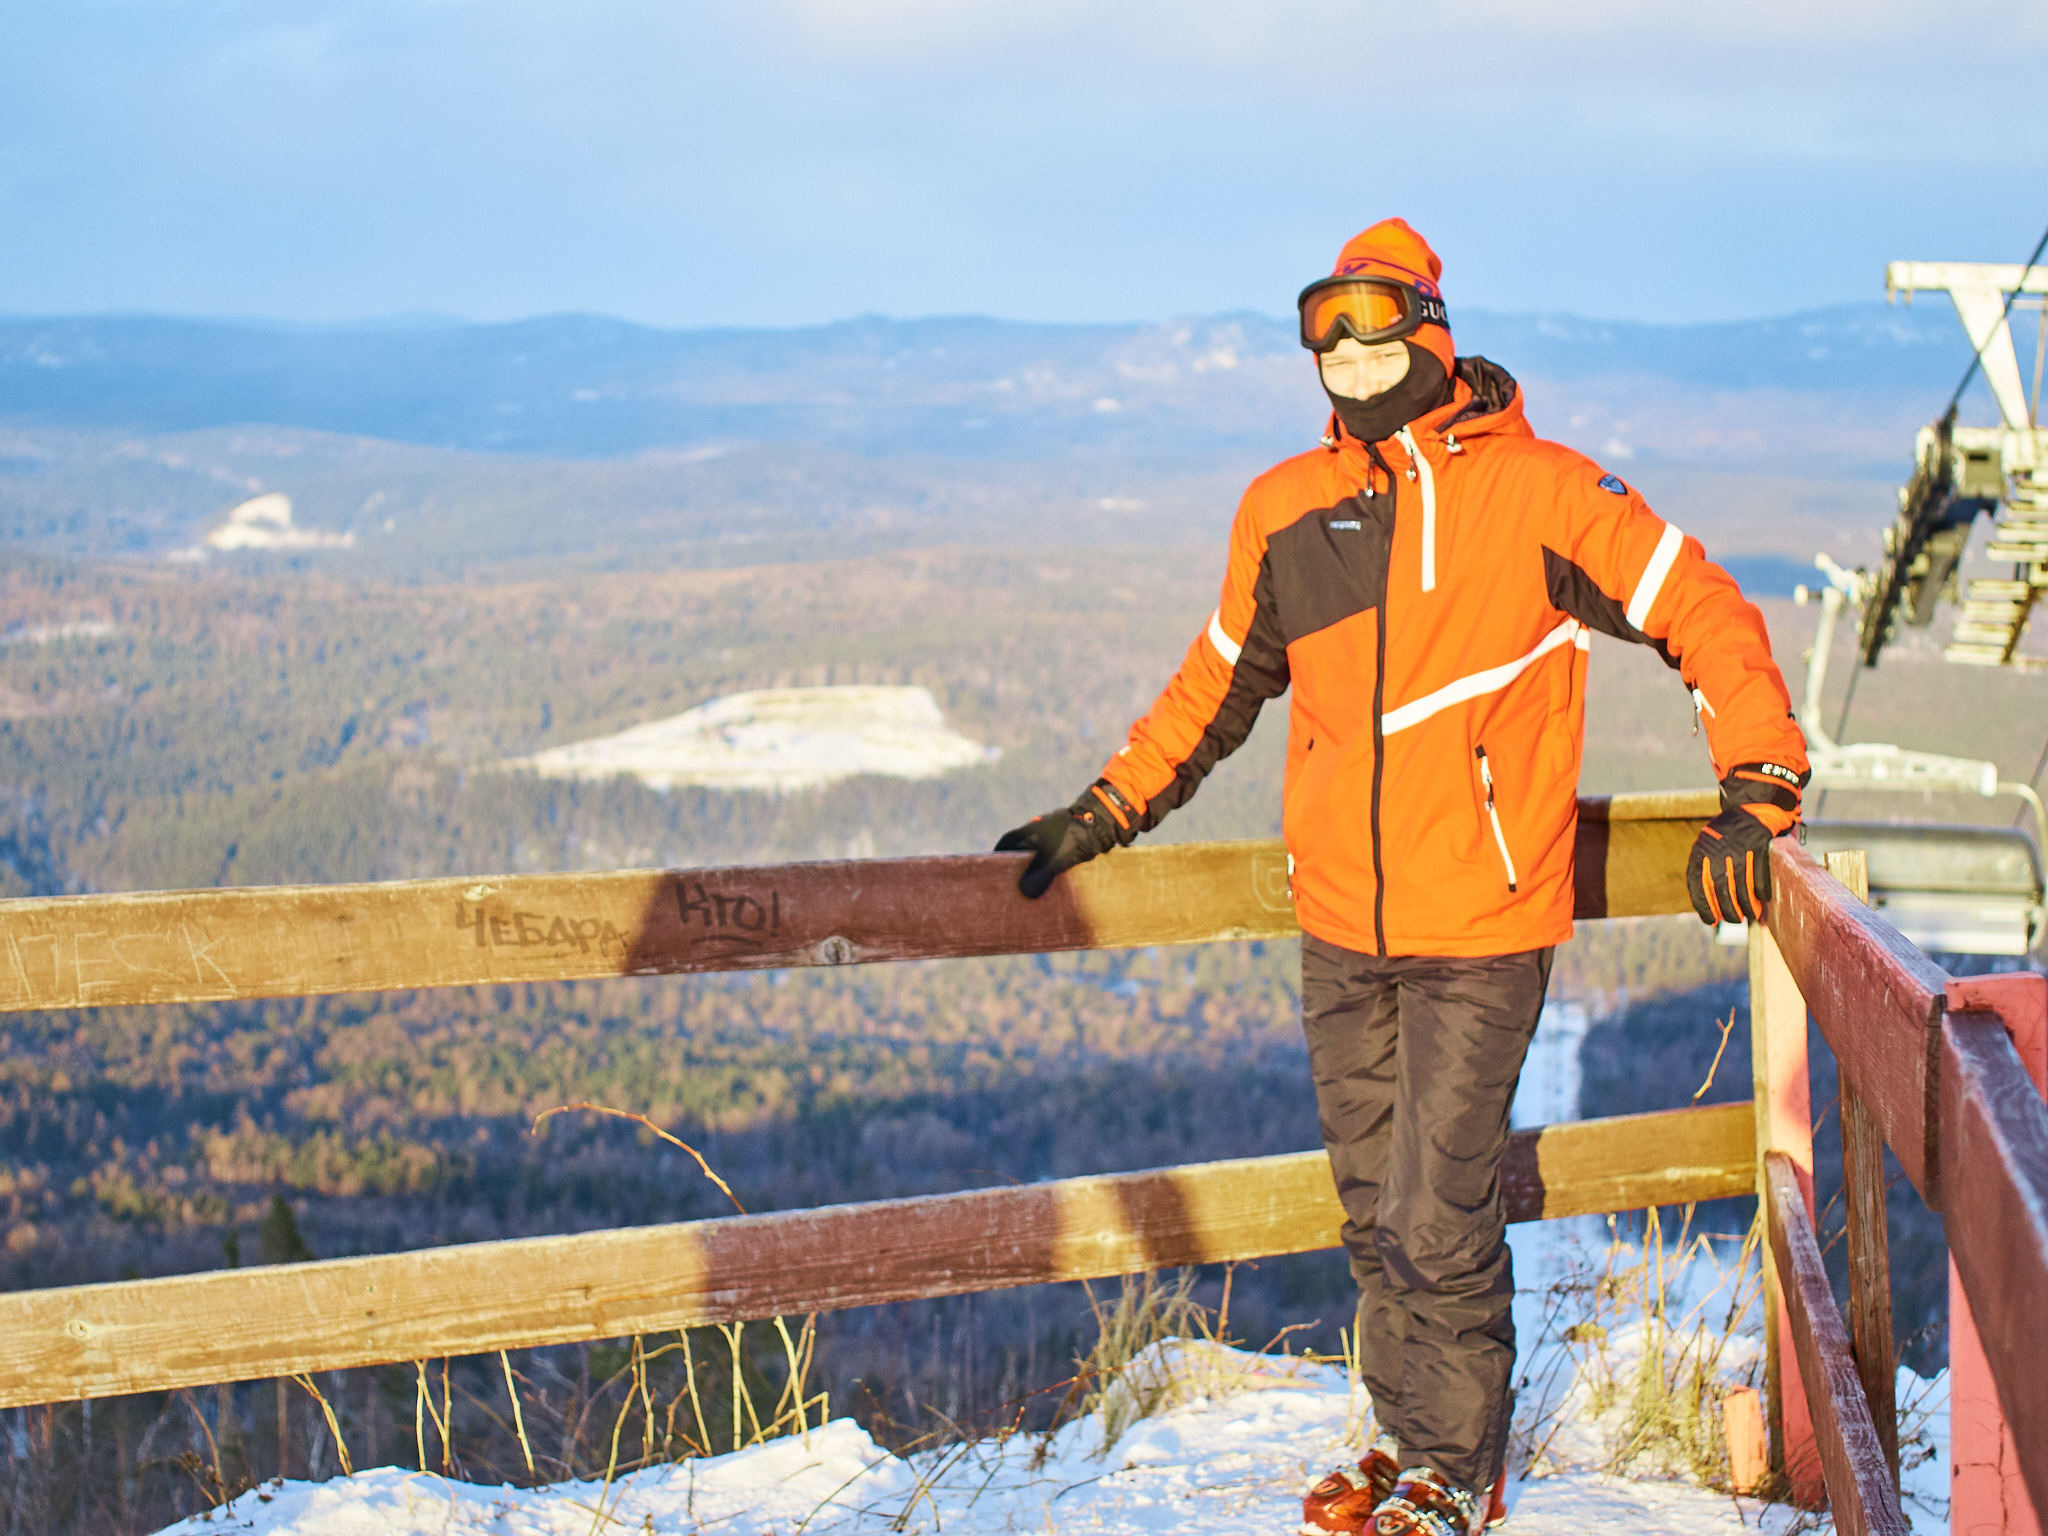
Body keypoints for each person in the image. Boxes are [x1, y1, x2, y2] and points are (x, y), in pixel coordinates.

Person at [994, 219, 1810, 1536]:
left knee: (1440, 1208)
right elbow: (1216, 688)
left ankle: (1458, 1471)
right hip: (1341, 926)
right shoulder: (1283, 508)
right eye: (1326, 327)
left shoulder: (1538, 491)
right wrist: (1107, 808)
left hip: (1481, 921)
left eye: (1376, 323)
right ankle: (1405, 1440)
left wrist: (1757, 788)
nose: (1352, 353)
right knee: (1374, 1211)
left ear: (1430, 328)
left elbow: (1702, 607)